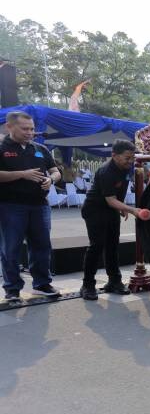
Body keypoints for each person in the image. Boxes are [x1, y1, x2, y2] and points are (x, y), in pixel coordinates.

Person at [0, 111, 62, 301]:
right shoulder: (2, 147)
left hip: (40, 205)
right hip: (11, 205)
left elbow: (56, 171)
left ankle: (42, 284)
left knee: (42, 245)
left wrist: (51, 180)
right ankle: (12, 288)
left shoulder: (40, 149)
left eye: (32, 129)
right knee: (11, 248)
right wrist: (22, 174)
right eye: (25, 129)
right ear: (9, 127)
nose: (30, 132)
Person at [79, 140, 147, 300]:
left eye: (132, 158)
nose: (130, 162)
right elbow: (110, 199)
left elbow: (116, 196)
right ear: (114, 155)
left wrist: (120, 208)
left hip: (110, 210)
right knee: (96, 246)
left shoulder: (124, 168)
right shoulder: (106, 171)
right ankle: (87, 285)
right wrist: (131, 209)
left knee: (112, 246)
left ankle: (114, 281)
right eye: (127, 158)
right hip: (95, 210)